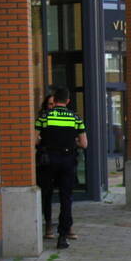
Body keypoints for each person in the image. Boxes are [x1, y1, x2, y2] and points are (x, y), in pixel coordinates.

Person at [35, 87, 87, 249]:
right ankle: (63, 236)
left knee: (47, 193)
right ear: (68, 101)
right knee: (66, 197)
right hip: (67, 159)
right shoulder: (75, 118)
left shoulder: (45, 117)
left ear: (55, 100)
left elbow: (34, 140)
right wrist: (72, 143)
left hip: (48, 160)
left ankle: (48, 225)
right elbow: (84, 144)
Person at [35, 93, 56, 239]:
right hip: (45, 161)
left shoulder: (66, 119)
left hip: (62, 159)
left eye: (54, 104)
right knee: (46, 194)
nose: (52, 107)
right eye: (50, 104)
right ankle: (48, 224)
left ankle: (67, 226)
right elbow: (35, 139)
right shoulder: (42, 119)